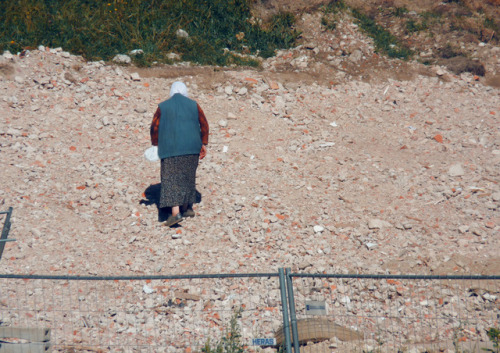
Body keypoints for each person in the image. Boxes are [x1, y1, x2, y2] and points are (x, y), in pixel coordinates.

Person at [150, 81, 209, 227]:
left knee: (171, 178)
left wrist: (156, 143)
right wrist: (203, 143)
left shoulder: (163, 106)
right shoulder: (194, 105)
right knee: (187, 176)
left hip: (170, 147)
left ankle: (175, 213)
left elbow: (154, 127)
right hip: (192, 147)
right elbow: (204, 124)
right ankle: (187, 208)